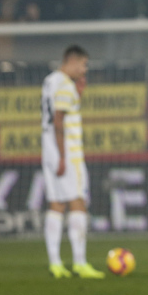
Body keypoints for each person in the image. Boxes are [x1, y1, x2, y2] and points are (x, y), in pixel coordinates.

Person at [41, 45, 105, 279]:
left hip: (48, 149)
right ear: (74, 61)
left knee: (57, 203)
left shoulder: (50, 81)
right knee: (78, 202)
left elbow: (56, 115)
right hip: (68, 152)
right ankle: (79, 262)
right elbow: (59, 120)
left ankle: (55, 263)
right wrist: (63, 156)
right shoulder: (65, 85)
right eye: (84, 65)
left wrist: (79, 94)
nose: (84, 70)